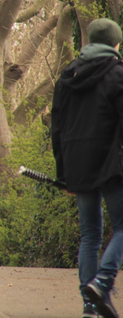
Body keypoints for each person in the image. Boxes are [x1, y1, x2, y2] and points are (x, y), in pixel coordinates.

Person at [52, 18, 123, 318]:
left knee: (90, 234)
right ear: (115, 43)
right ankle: (103, 282)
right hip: (112, 162)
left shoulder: (68, 76)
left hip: (76, 159)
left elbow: (57, 127)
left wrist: (63, 172)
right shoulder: (119, 75)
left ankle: (89, 306)